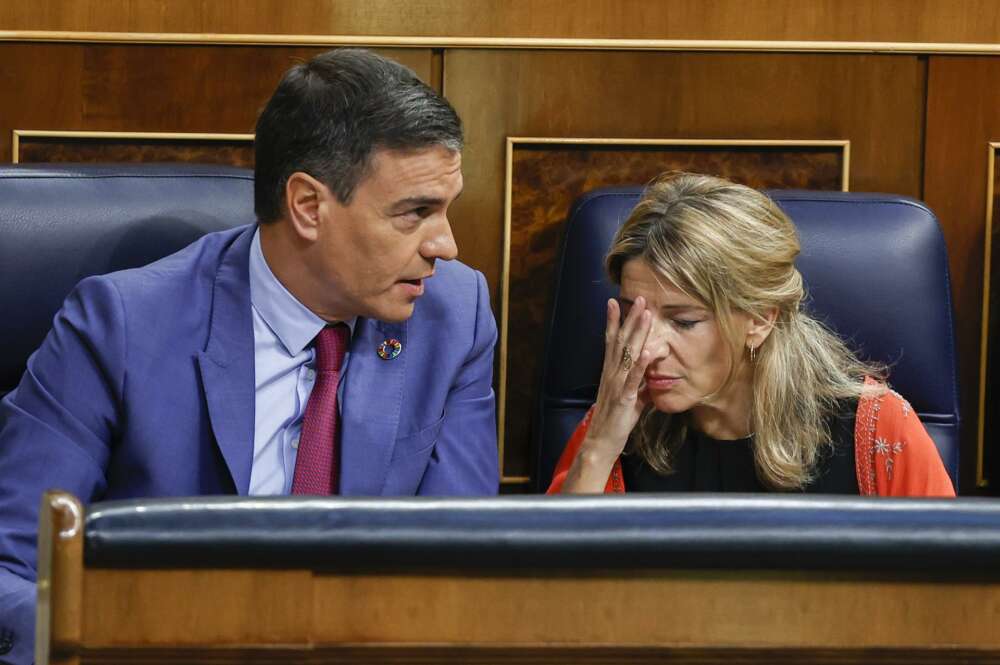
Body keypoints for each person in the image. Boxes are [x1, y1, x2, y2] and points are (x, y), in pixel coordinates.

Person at [0, 48, 499, 664]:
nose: (445, 245)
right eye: (415, 213)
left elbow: (465, 569)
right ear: (308, 206)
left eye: (446, 209)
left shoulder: (454, 316)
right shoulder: (120, 328)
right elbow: (11, 568)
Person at [548, 172, 954, 497]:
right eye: (637, 317)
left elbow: (944, 591)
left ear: (760, 319)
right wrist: (600, 447)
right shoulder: (618, 413)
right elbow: (549, 591)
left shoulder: (876, 427)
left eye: (684, 321)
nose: (647, 350)